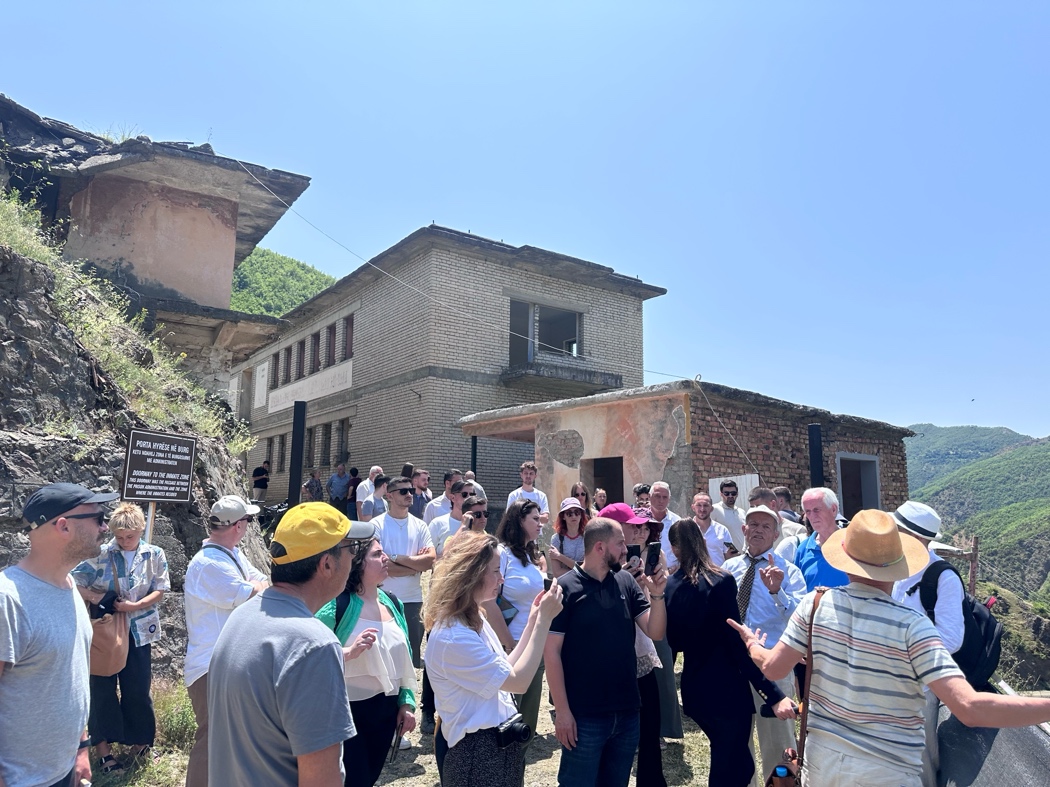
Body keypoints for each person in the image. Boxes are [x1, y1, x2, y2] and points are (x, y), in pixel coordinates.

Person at [732, 508, 1050, 787]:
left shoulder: (815, 606)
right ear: (899, 565)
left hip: (822, 766)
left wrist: (751, 643)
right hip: (890, 773)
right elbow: (970, 708)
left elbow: (774, 667)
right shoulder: (914, 628)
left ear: (844, 560)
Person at [208, 503, 372, 784]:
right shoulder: (314, 646)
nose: (355, 558)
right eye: (351, 549)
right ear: (327, 564)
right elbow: (321, 778)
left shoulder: (241, 616)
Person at [1, 482, 117, 787]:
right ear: (63, 527)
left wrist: (81, 750)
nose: (105, 527)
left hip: (63, 772)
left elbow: (71, 681)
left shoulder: (68, 587)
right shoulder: (8, 599)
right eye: (98, 517)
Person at [425, 532, 562, 787]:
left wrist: (532, 622)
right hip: (476, 754)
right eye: (496, 571)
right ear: (472, 574)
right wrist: (544, 622)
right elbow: (518, 682)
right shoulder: (454, 636)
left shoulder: (474, 617)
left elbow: (506, 668)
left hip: (495, 744)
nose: (501, 578)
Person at [665, 519, 794, 787]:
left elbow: (673, 642)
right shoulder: (721, 580)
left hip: (695, 688)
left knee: (728, 760)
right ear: (701, 541)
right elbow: (735, 645)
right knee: (735, 766)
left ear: (674, 548)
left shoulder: (671, 586)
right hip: (726, 689)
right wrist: (772, 694)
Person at [545, 518, 668, 787]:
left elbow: (655, 632)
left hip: (627, 712)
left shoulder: (625, 581)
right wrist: (563, 712)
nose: (626, 549)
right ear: (600, 547)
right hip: (584, 717)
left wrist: (657, 595)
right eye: (620, 543)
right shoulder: (564, 588)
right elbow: (551, 653)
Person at [74, 501, 170, 774]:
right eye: (119, 536)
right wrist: (97, 598)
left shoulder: (154, 554)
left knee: (137, 689)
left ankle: (140, 744)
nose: (125, 541)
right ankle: (104, 752)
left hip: (139, 631)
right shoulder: (101, 554)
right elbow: (73, 580)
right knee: (102, 689)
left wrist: (134, 606)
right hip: (106, 633)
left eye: (130, 536)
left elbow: (161, 588)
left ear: (141, 530)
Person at [183, 495, 270, 787]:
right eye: (247, 520)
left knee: (230, 741)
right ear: (238, 525)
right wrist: (256, 587)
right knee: (212, 740)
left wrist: (256, 586)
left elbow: (263, 582)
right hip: (211, 666)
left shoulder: (230, 554)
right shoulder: (209, 563)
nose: (247, 526)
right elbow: (253, 593)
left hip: (224, 663)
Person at [316, 538, 418, 787]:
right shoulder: (336, 605)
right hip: (346, 711)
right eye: (377, 554)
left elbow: (404, 660)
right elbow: (309, 656)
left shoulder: (393, 603)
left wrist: (407, 704)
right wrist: (348, 652)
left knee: (369, 778)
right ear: (357, 563)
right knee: (354, 780)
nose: (386, 558)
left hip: (386, 709)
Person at [721, 506, 806, 787]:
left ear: (776, 534)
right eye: (752, 524)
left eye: (765, 526)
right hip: (733, 665)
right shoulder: (728, 570)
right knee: (737, 737)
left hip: (772, 664)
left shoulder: (789, 572)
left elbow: (800, 619)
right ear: (743, 530)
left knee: (778, 739)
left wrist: (776, 591)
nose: (757, 530)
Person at [891, 501, 965, 787]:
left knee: (920, 760)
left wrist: (903, 656)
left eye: (896, 530)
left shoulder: (942, 577)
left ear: (914, 537)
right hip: (891, 683)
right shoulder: (897, 566)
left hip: (919, 688)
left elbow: (951, 638)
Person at [482, 500, 548, 740]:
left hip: (533, 644)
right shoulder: (503, 555)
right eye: (534, 518)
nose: (540, 523)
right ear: (519, 521)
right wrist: (509, 643)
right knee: (507, 718)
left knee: (527, 721)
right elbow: (489, 602)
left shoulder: (531, 556)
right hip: (509, 646)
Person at [618, 507, 669, 787]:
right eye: (633, 527)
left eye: (642, 528)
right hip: (614, 662)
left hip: (642, 650)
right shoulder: (605, 564)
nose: (639, 531)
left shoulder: (648, 558)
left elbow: (653, 623)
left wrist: (650, 588)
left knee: (649, 728)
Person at [373, 476, 435, 671]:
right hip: (383, 598)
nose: (410, 494)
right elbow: (381, 566)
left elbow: (430, 561)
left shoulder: (420, 525)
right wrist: (415, 566)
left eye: (411, 490)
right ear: (389, 496)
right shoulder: (377, 525)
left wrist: (395, 558)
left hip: (413, 599)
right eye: (403, 491)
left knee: (411, 658)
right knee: (385, 656)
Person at [641, 483, 684, 743]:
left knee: (663, 671)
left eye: (647, 528)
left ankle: (663, 727)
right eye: (639, 527)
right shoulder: (623, 551)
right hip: (632, 618)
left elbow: (666, 576)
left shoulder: (660, 554)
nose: (642, 531)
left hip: (656, 610)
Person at [776, 487, 848, 590]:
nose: (812, 516)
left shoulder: (851, 544)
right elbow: (798, 590)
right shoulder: (803, 549)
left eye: (816, 510)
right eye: (808, 512)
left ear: (833, 509)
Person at [665, 492, 733, 570]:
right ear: (693, 507)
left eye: (706, 505)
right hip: (693, 577)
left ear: (711, 508)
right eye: (699, 505)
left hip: (718, 577)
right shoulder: (685, 530)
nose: (702, 509)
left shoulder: (722, 530)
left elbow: (730, 557)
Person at [428, 479, 476, 557]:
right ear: (452, 498)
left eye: (472, 495)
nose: (469, 498)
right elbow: (428, 556)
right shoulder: (437, 523)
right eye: (464, 494)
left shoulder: (477, 521)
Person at [549, 497, 589, 579]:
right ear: (563, 516)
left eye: (577, 512)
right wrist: (580, 571)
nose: (573, 516)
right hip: (565, 586)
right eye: (569, 513)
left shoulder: (588, 537)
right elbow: (557, 573)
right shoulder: (556, 539)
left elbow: (589, 568)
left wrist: (559, 556)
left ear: (581, 515)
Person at [711, 480, 747, 551]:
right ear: (721, 494)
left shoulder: (742, 512)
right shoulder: (714, 509)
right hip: (724, 557)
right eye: (726, 493)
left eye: (733, 493)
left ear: (737, 494)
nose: (730, 496)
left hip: (741, 556)